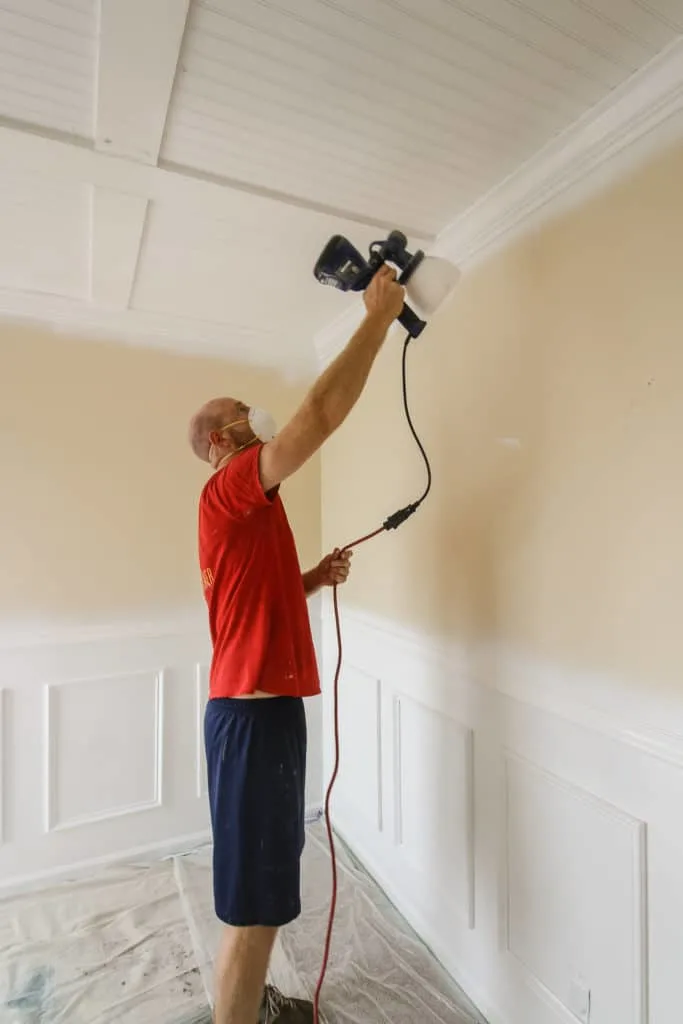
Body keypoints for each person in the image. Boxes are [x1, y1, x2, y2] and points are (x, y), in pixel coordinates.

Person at [187, 266, 405, 1024]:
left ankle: (252, 1003)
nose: (256, 416)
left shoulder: (245, 517)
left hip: (256, 716)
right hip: (251, 720)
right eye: (240, 414)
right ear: (222, 441)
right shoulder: (231, 486)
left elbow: (248, 603)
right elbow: (316, 416)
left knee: (268, 885)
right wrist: (375, 321)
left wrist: (308, 578)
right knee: (253, 903)